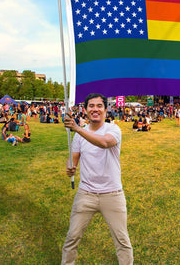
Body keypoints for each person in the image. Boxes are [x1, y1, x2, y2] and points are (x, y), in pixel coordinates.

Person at [61, 93, 133, 265]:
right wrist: (70, 168)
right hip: (86, 194)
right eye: (91, 106)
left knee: (122, 241)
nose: (95, 109)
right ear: (85, 110)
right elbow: (74, 158)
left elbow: (104, 143)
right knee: (72, 238)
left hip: (112, 194)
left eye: (99, 106)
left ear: (105, 110)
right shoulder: (79, 135)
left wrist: (78, 128)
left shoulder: (113, 129)